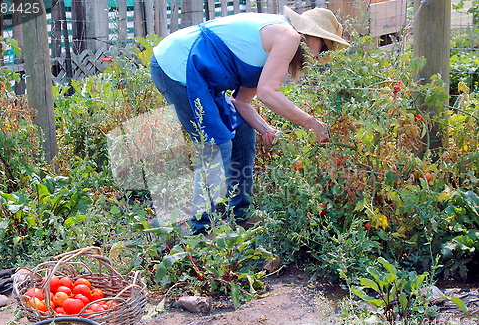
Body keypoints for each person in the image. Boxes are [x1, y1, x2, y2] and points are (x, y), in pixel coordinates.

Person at [150, 6, 350, 236]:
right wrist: (311, 123)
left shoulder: (277, 41)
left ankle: (241, 214)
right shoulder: (289, 36)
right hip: (179, 66)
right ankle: (201, 232)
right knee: (217, 145)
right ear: (311, 34)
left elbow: (241, 102)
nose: (317, 57)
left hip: (200, 73)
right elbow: (268, 92)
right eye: (323, 48)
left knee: (243, 129)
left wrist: (266, 129)